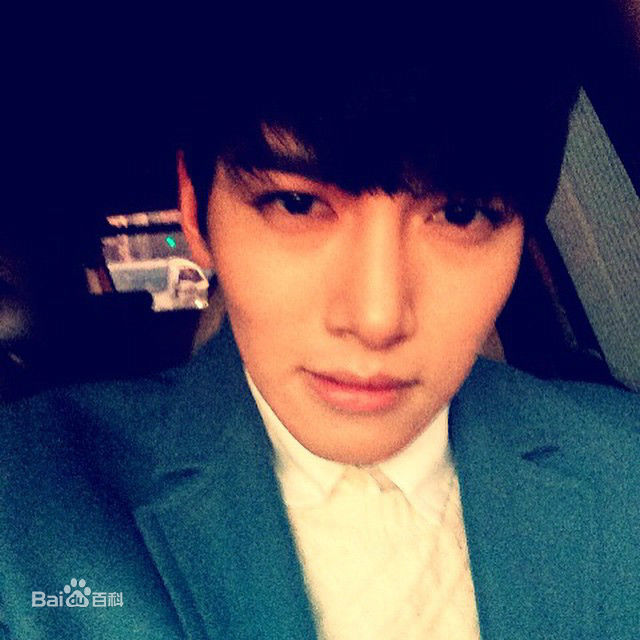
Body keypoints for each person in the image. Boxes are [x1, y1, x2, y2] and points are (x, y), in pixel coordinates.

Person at [1, 6, 639, 639]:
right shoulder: (32, 498)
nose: (377, 319)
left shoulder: (624, 463)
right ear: (195, 214)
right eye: (297, 204)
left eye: (461, 213)